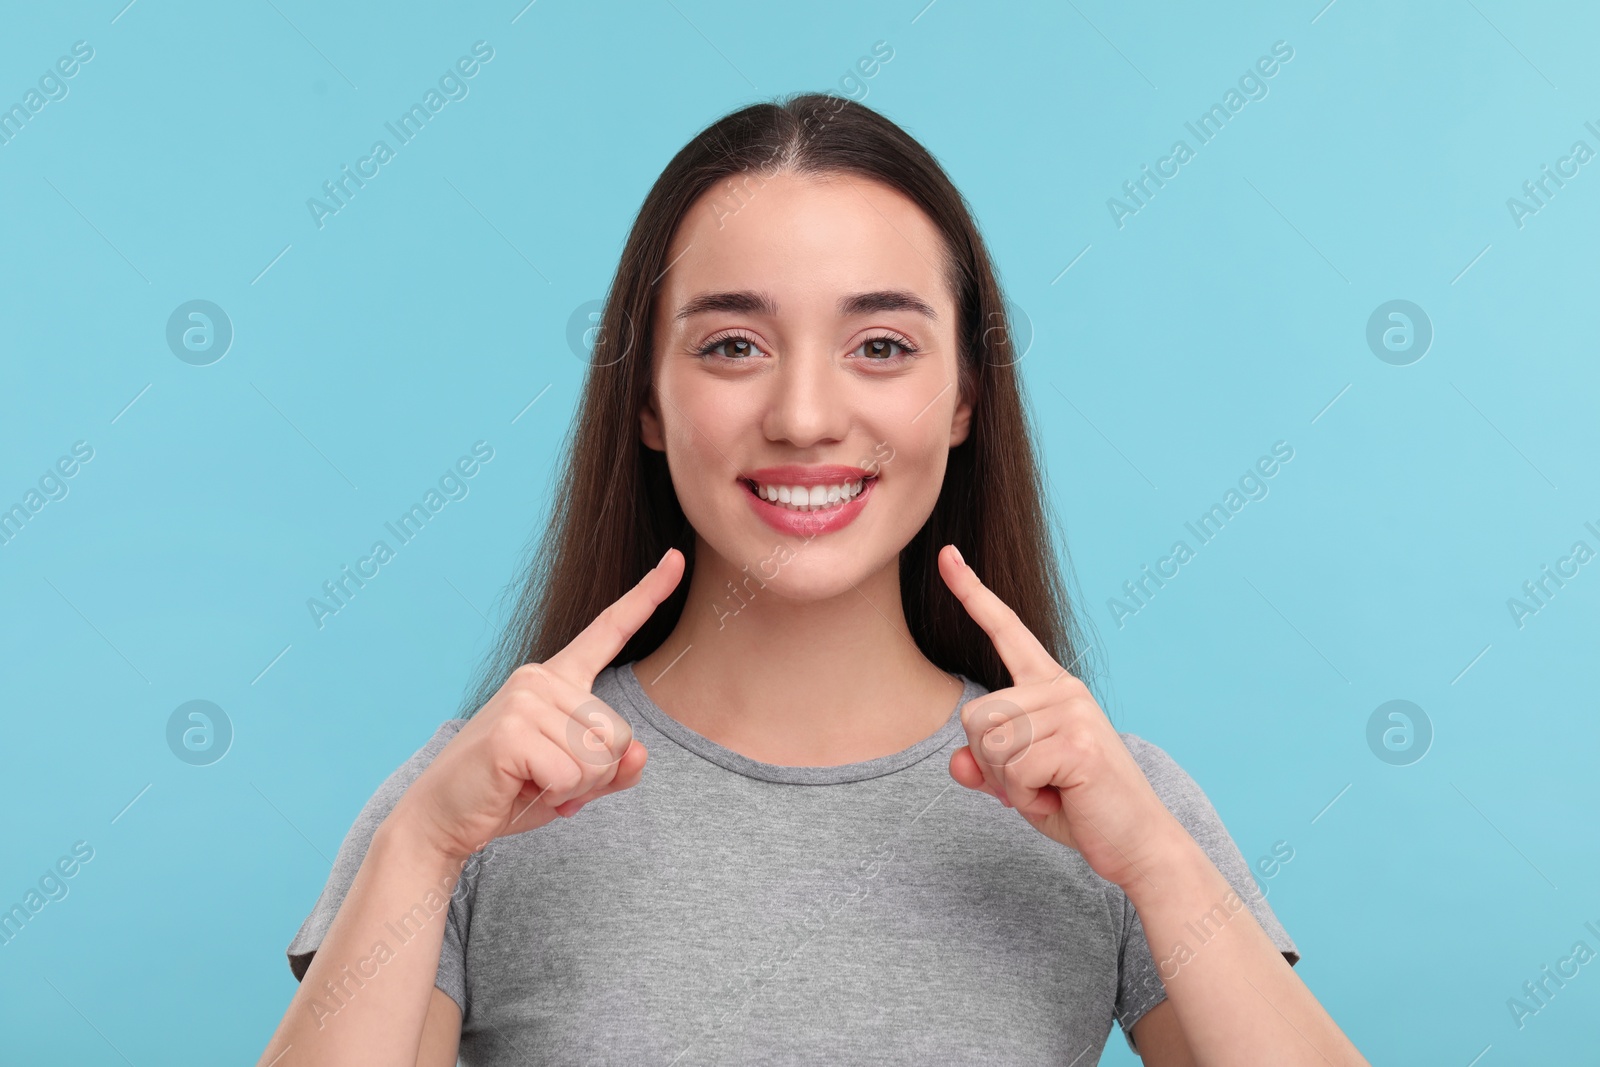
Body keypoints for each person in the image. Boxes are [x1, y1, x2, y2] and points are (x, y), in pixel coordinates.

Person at [257, 93, 1369, 1066]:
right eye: (732, 345)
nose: (801, 416)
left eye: (880, 345)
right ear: (645, 398)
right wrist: (418, 849)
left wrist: (1164, 871)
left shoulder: (1108, 805)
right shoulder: (469, 802)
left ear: (965, 396)